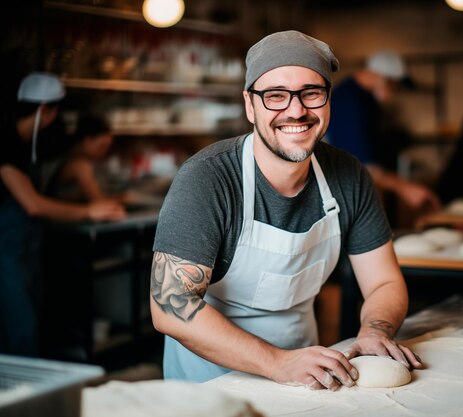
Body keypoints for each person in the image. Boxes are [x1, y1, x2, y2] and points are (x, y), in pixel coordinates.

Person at [150, 30, 422, 388]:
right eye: (275, 96)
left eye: (311, 93)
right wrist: (277, 363)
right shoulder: (209, 179)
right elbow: (170, 306)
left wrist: (374, 330)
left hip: (305, 371)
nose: (296, 110)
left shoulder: (348, 176)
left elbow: (384, 281)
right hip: (209, 382)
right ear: (250, 105)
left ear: (328, 101)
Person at [0, 72, 126, 356]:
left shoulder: (24, 147)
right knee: (20, 332)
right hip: (6, 256)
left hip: (28, 252)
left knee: (32, 327)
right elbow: (33, 204)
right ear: (46, 110)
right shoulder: (6, 145)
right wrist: (89, 211)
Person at [325, 50, 439, 215]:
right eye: (394, 84)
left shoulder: (367, 100)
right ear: (380, 77)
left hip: (358, 188)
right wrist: (404, 188)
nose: (394, 91)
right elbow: (358, 163)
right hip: (341, 193)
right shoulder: (348, 102)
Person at [46, 113, 120, 203]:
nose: (104, 152)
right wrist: (124, 198)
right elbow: (97, 200)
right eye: (102, 146)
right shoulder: (79, 163)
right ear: (87, 140)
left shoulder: (69, 157)